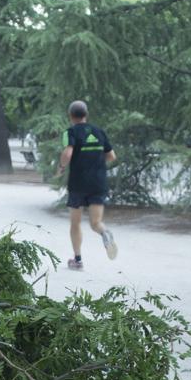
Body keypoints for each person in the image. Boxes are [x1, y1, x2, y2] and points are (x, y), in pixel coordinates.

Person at [54, 100, 118, 270]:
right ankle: (105, 233)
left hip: (78, 183)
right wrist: (95, 161)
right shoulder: (99, 131)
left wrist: (61, 167)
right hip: (98, 182)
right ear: (86, 115)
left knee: (75, 223)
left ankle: (78, 259)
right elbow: (111, 156)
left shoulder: (70, 132)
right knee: (96, 223)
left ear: (70, 116)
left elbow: (68, 153)